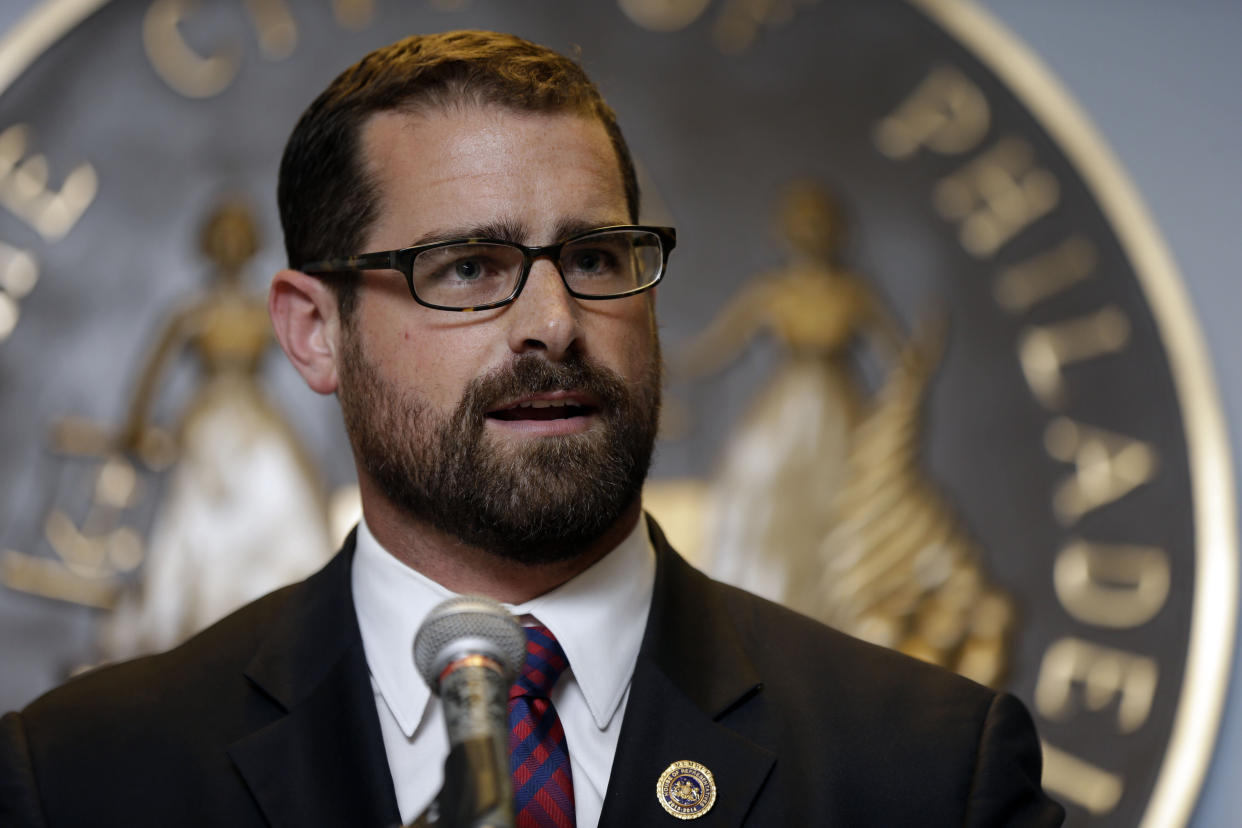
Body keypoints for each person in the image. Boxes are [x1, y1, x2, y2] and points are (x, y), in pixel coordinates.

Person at [0, 31, 1064, 827]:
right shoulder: (86, 781)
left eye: (597, 260)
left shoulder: (928, 773)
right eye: (469, 269)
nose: (554, 324)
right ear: (315, 334)